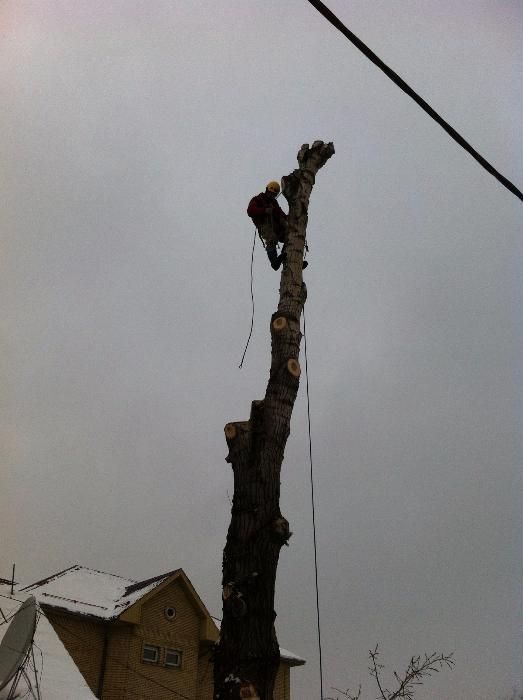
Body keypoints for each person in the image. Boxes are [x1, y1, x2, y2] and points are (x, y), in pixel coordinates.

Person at [247, 181, 308, 271]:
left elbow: (280, 213)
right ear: (267, 190)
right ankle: (274, 262)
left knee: (290, 236)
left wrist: (289, 218)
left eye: (274, 194)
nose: (272, 196)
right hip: (265, 225)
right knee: (271, 239)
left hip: (277, 227)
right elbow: (250, 211)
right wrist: (264, 210)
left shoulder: (274, 203)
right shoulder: (258, 199)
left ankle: (292, 260)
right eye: (271, 193)